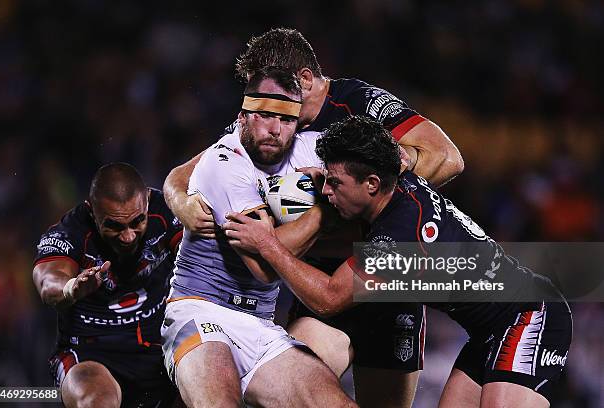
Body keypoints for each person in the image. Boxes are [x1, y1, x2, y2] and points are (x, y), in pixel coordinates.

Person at [164, 27, 464, 407]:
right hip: (318, 277)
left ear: (305, 81)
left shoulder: (359, 104)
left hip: (382, 283)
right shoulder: (272, 121)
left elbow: (447, 158)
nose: (276, 114)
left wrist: (373, 197)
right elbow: (190, 171)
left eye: (284, 92)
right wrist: (180, 201)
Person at [222, 115, 573, 408]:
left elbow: (329, 298)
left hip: (530, 314)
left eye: (335, 182)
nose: (326, 192)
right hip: (490, 329)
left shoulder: (400, 237)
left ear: (372, 184)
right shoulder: (396, 174)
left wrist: (268, 244)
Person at [161, 67, 356, 407]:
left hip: (260, 324)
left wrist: (400, 158)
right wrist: (323, 212)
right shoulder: (224, 161)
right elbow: (265, 269)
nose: (275, 130)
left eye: (287, 120)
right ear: (242, 118)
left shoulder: (311, 148)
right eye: (265, 116)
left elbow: (382, 170)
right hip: (202, 311)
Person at [33, 163, 183, 408]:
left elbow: (203, 254)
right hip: (91, 358)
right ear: (92, 212)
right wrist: (71, 288)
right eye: (114, 225)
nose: (128, 237)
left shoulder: (167, 210)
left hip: (161, 353)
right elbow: (48, 282)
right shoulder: (70, 231)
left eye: (137, 222)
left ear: (146, 200)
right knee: (97, 401)